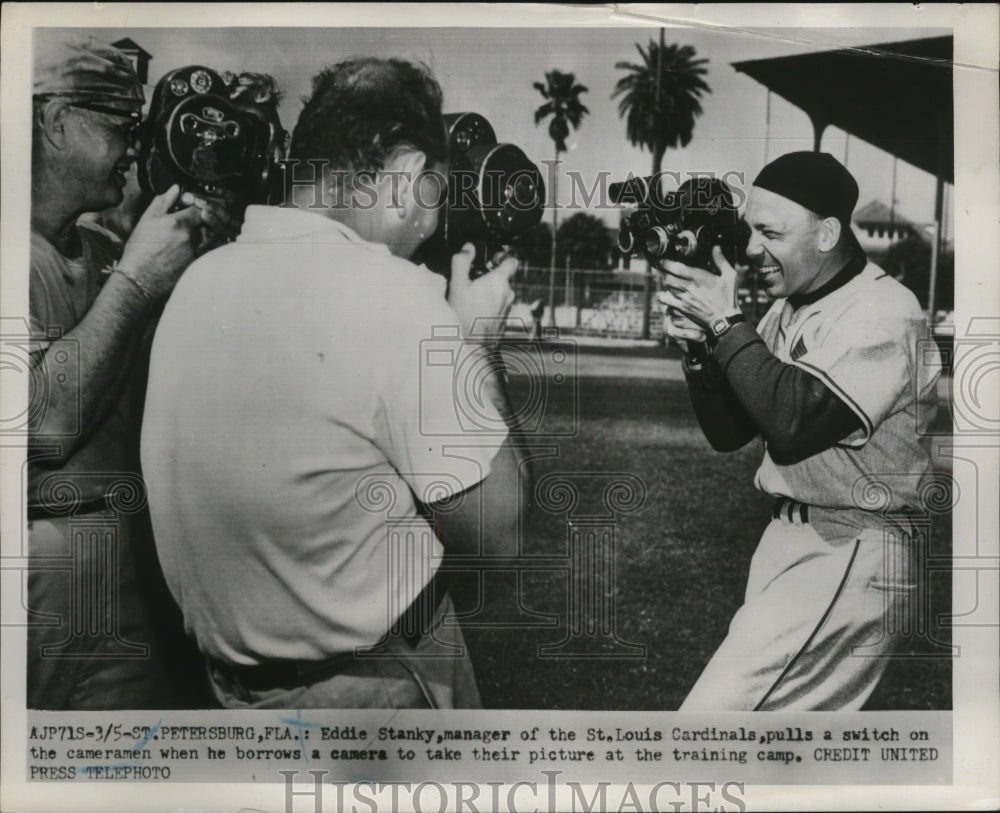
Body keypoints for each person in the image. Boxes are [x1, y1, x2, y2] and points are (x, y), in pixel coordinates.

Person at [140, 57, 527, 709]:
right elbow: (499, 536)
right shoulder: (397, 298)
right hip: (373, 693)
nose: (432, 224)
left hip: (235, 693)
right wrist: (475, 346)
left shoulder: (197, 281)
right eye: (436, 191)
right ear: (406, 175)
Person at [659, 151, 941, 711]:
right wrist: (697, 351)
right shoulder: (790, 306)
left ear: (828, 232)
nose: (751, 247)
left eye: (770, 232)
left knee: (705, 730)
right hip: (795, 543)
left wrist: (723, 322)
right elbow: (733, 429)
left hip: (851, 547)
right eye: (749, 229)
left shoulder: (885, 310)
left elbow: (793, 424)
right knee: (780, 759)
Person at [27, 33, 236, 709]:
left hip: (131, 563)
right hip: (45, 580)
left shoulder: (105, 249)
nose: (135, 146)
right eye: (122, 124)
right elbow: (45, 425)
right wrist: (141, 280)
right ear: (56, 122)